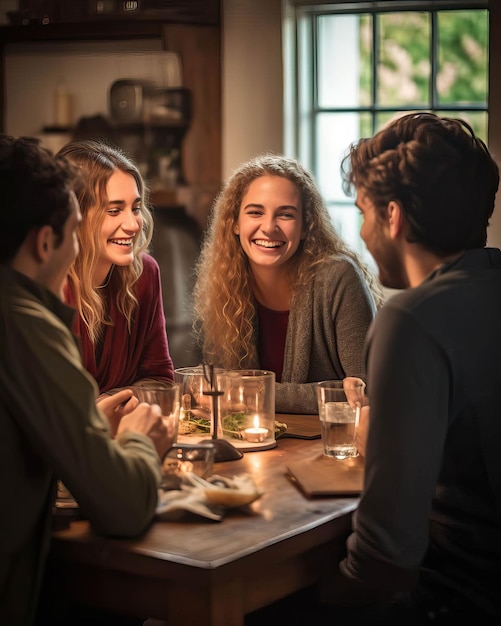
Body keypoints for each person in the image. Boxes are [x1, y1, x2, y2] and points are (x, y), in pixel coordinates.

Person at [310, 112, 501, 624]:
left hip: (457, 597)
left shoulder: (412, 320)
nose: (365, 233)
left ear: (393, 217)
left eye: (364, 214)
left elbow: (386, 560)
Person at [0, 134, 172, 626]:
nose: (133, 225)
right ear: (46, 241)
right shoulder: (26, 323)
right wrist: (136, 441)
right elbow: (123, 506)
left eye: (136, 207)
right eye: (76, 230)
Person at [192, 154, 382, 414]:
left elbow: (367, 391)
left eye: (286, 215)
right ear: (235, 223)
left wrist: (248, 392)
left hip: (330, 447)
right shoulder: (226, 284)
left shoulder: (338, 277)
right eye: (255, 212)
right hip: (258, 444)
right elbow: (219, 388)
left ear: (306, 227)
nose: (269, 227)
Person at [57, 139, 174, 396]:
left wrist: (110, 405)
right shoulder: (48, 285)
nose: (133, 224)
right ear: (74, 215)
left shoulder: (144, 274)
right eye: (114, 210)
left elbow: (159, 378)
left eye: (135, 208)